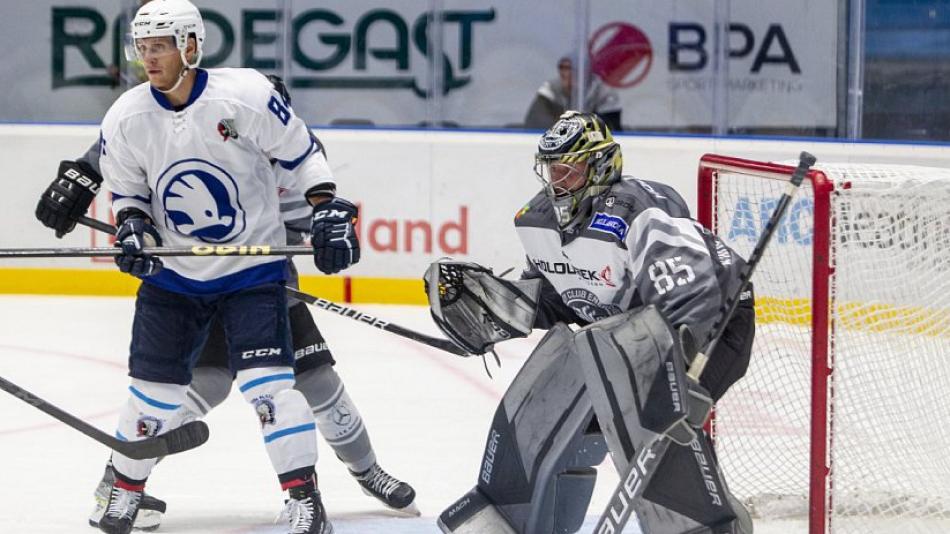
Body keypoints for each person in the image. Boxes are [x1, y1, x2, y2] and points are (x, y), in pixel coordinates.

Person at [45, 0, 369, 532]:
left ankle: (304, 500)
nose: (149, 59)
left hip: (250, 271)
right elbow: (128, 190)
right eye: (143, 48)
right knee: (152, 395)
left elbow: (304, 155)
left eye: (161, 46)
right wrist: (133, 226)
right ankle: (123, 492)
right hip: (173, 277)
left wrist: (328, 208)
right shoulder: (126, 116)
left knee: (272, 387)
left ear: (191, 46)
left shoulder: (245, 96)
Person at [425, 111, 755, 533]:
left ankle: (707, 526)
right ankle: (530, 518)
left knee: (656, 430)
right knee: (577, 428)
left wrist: (679, 377)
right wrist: (499, 307)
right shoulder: (539, 219)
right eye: (551, 169)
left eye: (569, 168)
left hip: (716, 322)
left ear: (600, 164)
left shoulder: (640, 208)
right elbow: (566, 300)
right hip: (634, 336)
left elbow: (693, 292)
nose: (557, 180)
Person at [523, 56, 622, 131]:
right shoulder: (551, 90)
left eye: (571, 68)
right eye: (562, 68)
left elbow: (611, 127)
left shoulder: (603, 91)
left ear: (585, 72)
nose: (566, 73)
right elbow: (535, 124)